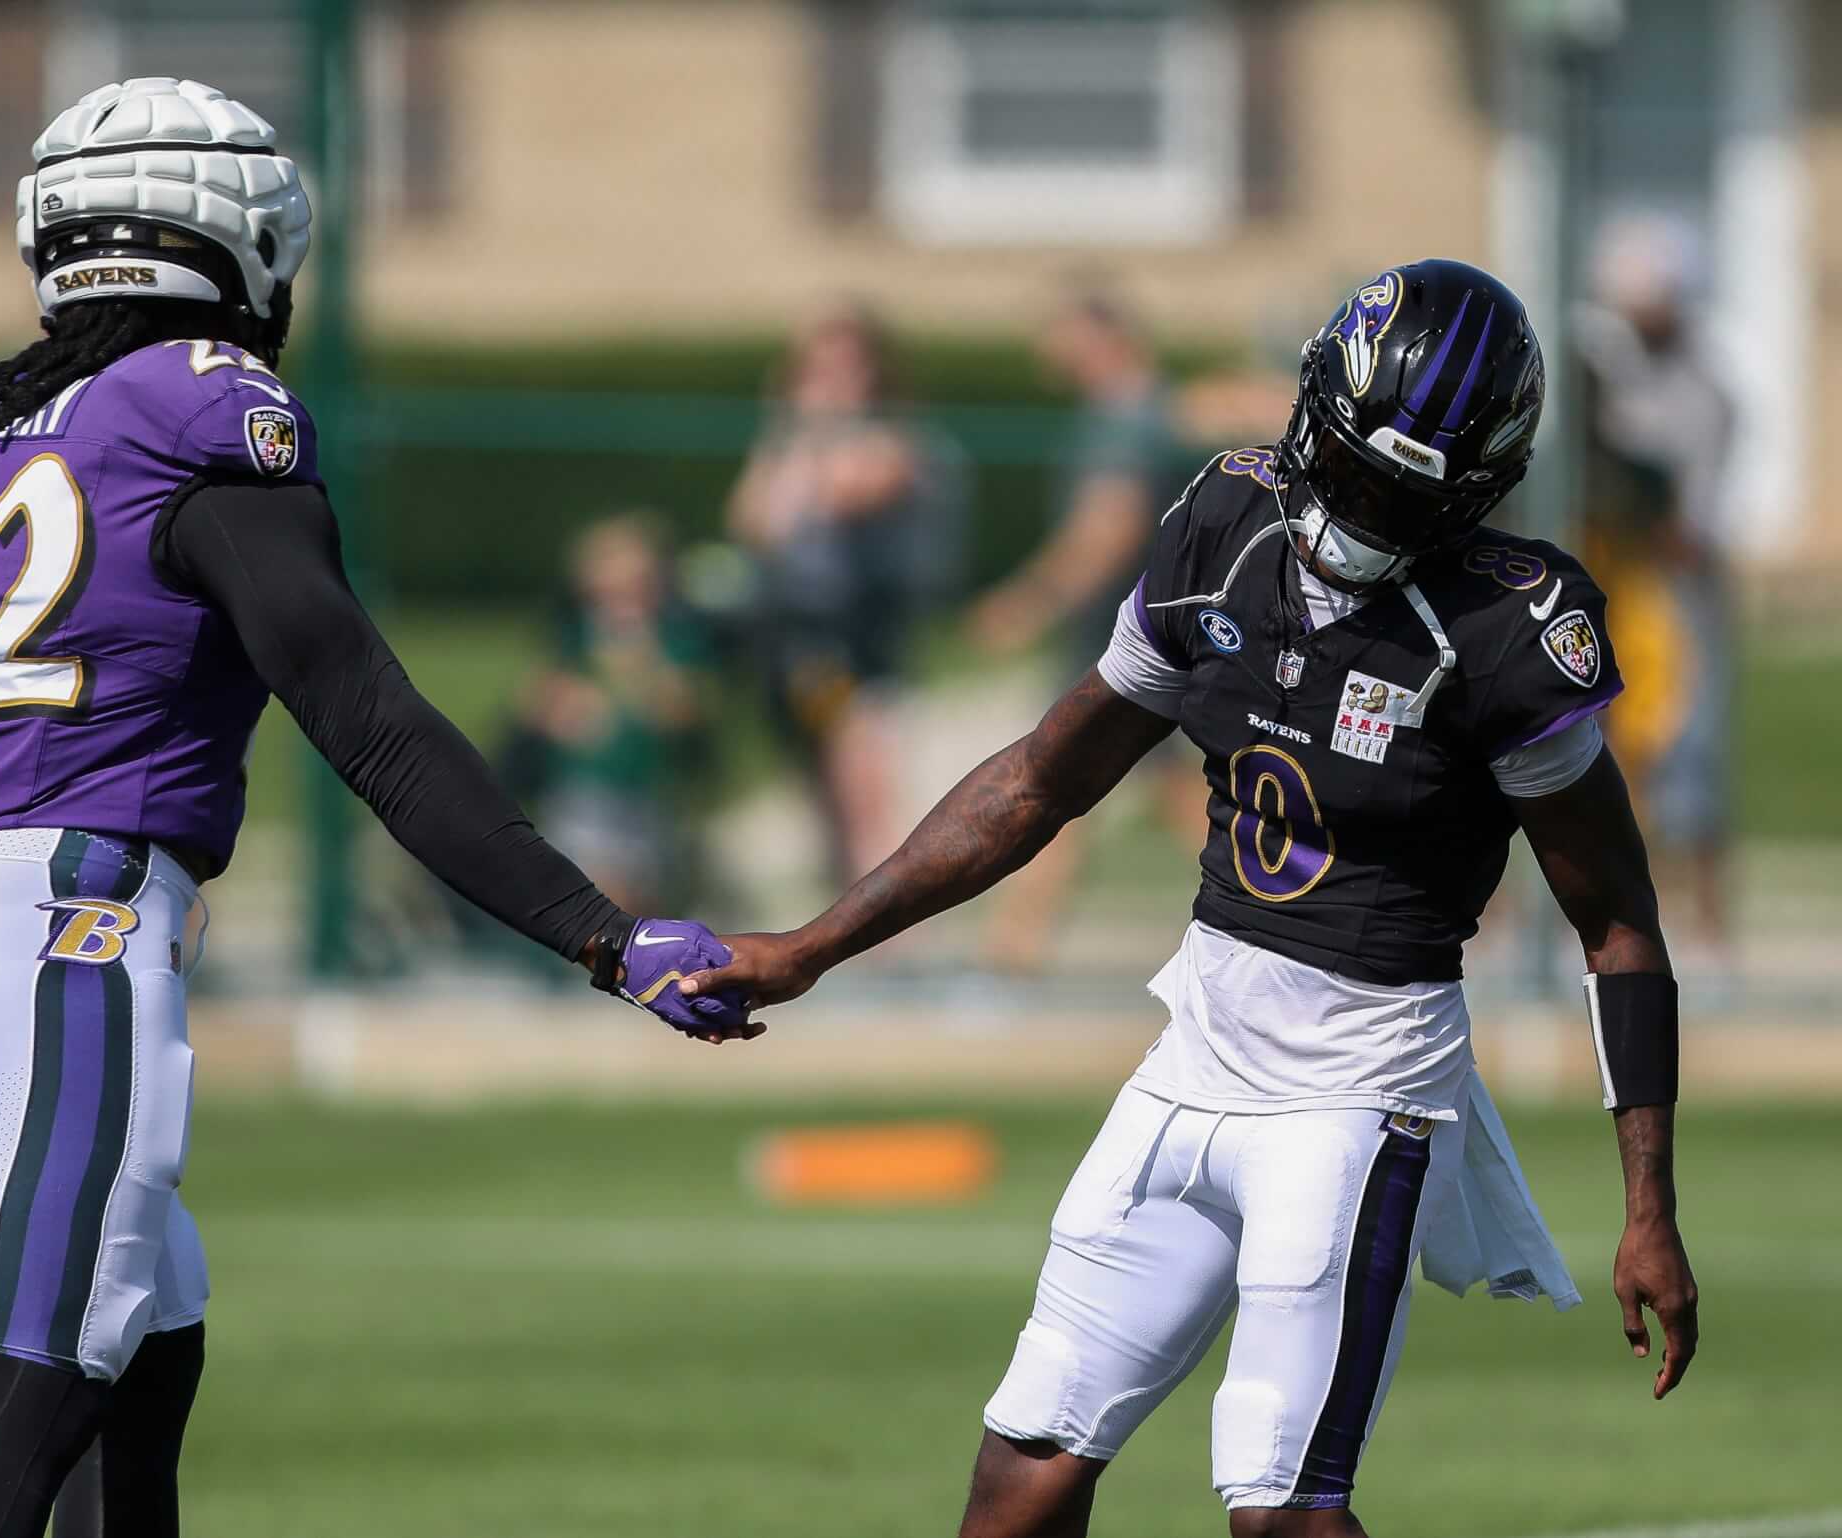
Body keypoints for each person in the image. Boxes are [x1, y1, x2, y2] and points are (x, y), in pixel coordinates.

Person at [0, 77, 752, 1538]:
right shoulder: (207, 404)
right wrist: (601, 934)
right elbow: (369, 719)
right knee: (35, 1388)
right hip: (70, 915)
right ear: (237, 237)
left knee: (144, 1343)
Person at [682, 261, 1698, 1535]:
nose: (1358, 509)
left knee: (1280, 1510)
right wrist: (809, 947)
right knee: (1019, 1481)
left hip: (1353, 1092)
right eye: (1348, 463)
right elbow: (1037, 782)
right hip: (1189, 1062)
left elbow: (1615, 921)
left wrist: (1647, 1206)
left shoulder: (1508, 626)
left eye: (1401, 490)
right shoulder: (1227, 522)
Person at [969, 283, 1187, 971]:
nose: (1048, 351)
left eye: (1061, 334)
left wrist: (1029, 602)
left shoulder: (1124, 418)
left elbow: (1108, 531)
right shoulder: (1150, 409)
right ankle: (1012, 952)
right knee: (1082, 789)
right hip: (1145, 640)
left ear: (1098, 334)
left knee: (1054, 783)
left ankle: (1009, 958)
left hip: (1121, 646)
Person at [727, 301, 948, 885]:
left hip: (858, 635)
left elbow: (841, 493)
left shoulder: (890, 442)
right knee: (817, 787)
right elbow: (752, 521)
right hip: (796, 632)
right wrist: (796, 439)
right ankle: (848, 921)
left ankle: (892, 938)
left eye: (842, 370)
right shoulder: (788, 443)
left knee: (864, 786)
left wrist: (809, 439)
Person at [1574, 216, 1737, 968]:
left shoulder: (1703, 392)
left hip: (1676, 589)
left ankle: (1706, 925)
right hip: (1617, 583)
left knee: (1687, 755)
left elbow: (1683, 524)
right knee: (1590, 751)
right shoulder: (1615, 380)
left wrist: (1635, 500)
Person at [514, 513, 714, 915]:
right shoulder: (574, 637)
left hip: (649, 794)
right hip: (586, 792)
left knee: (643, 895)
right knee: (602, 885)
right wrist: (568, 709)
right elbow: (535, 700)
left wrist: (640, 671)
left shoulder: (672, 639)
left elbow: (688, 707)